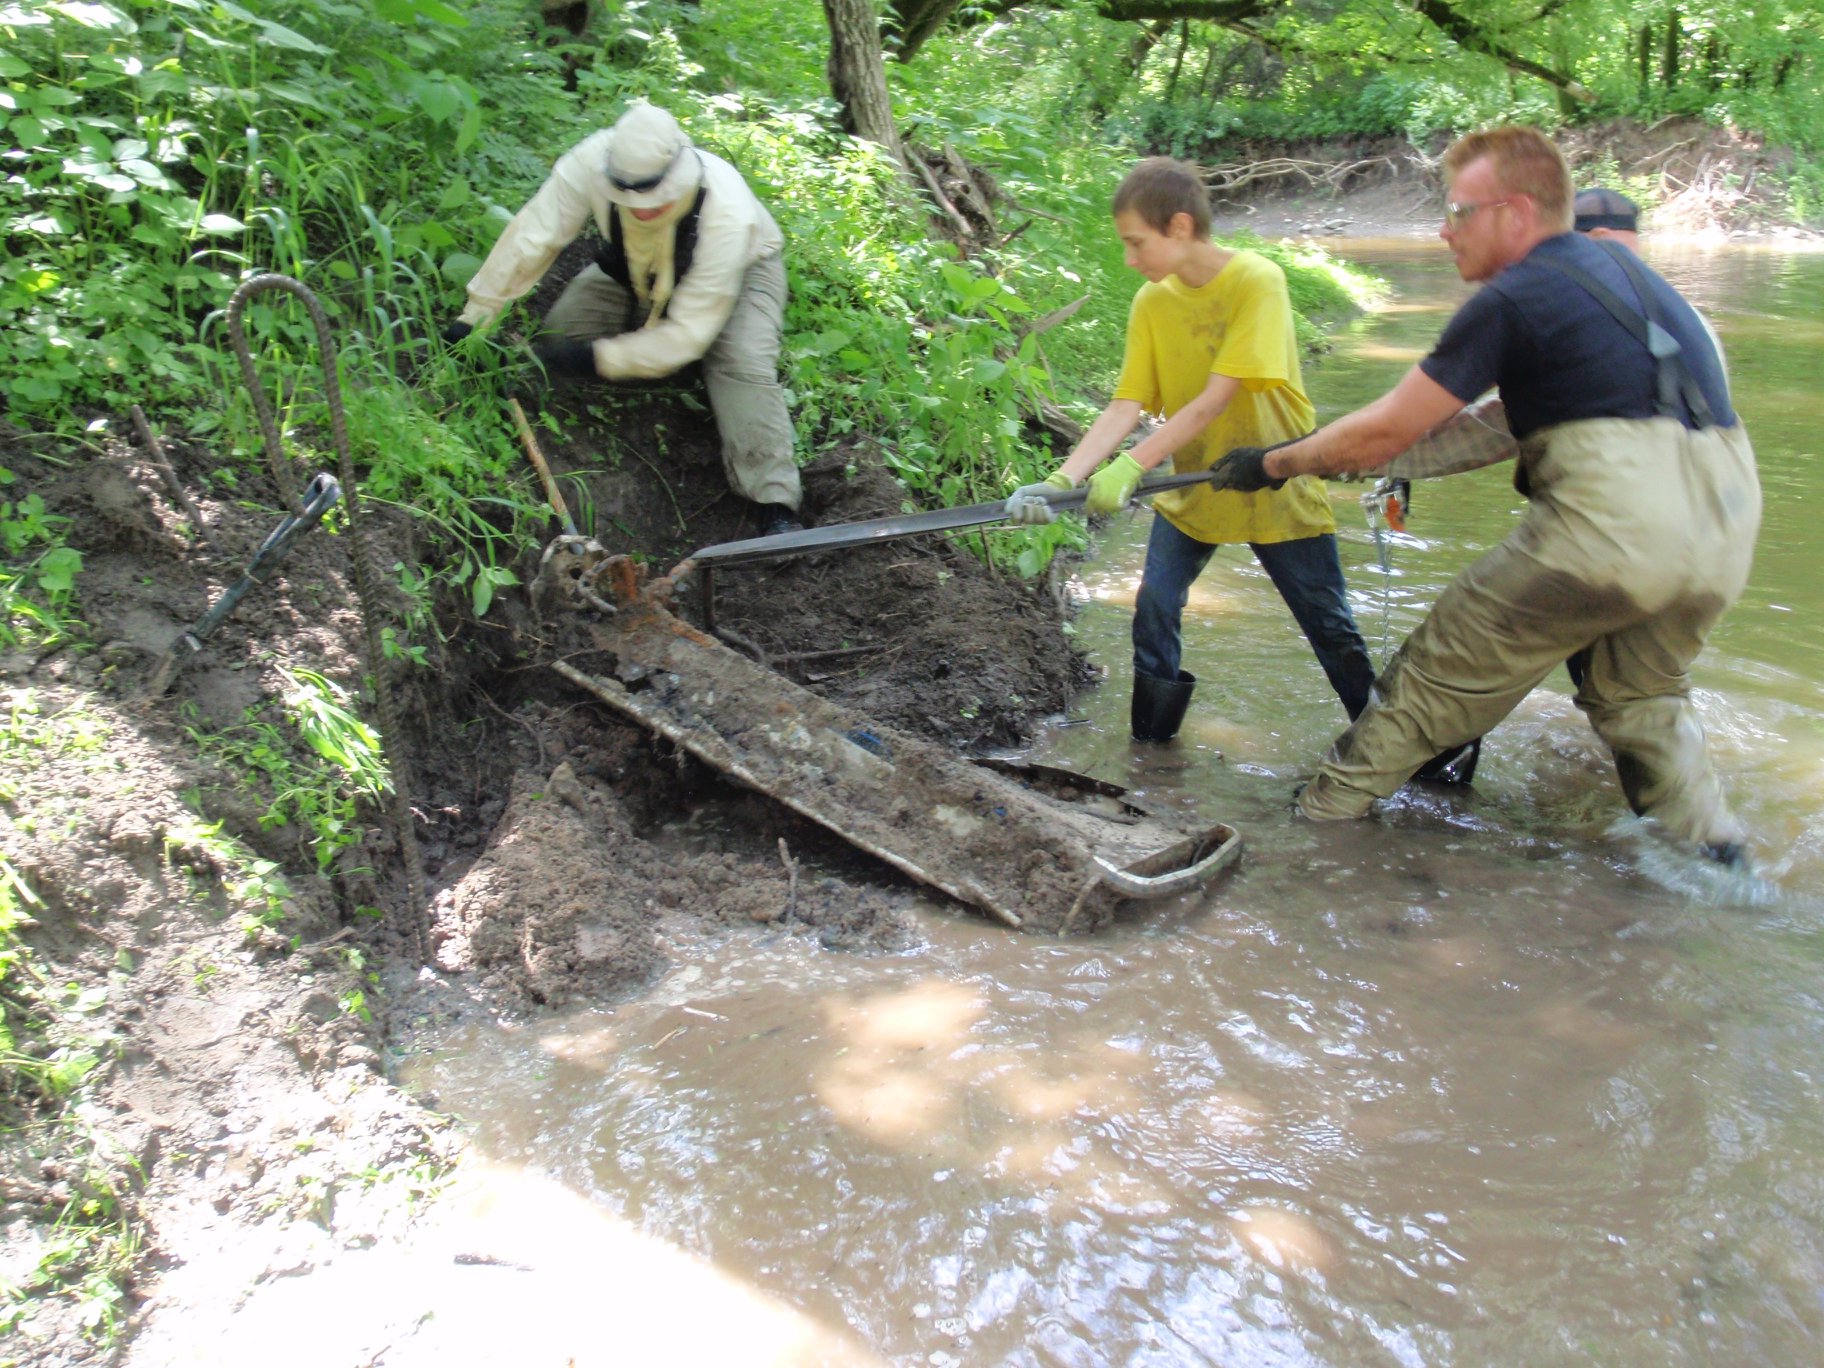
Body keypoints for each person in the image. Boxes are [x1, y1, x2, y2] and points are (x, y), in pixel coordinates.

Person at [1206, 126, 1760, 865]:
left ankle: (1311, 834)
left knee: (1428, 682)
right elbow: (1493, 428)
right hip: (1724, 536)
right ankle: (1722, 874)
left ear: (1516, 212)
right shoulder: (1644, 288)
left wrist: (1274, 463)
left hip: (1611, 537)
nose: (1444, 229)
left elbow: (1386, 430)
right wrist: (1334, 461)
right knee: (1643, 700)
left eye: (1458, 211)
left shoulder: (1516, 296)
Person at [1004, 156, 1376, 746]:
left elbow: (1214, 399)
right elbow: (1126, 404)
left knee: (1329, 625)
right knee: (1154, 604)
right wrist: (1063, 479)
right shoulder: (1152, 302)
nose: (1129, 259)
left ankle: (1404, 748)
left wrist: (1132, 464)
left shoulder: (1257, 281)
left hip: (1273, 476)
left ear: (1179, 227)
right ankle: (1151, 754)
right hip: (1195, 484)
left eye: (1136, 243)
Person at [443, 102, 804, 535]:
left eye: (654, 198)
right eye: (627, 197)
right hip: (637, 269)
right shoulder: (589, 162)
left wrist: (600, 358)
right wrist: (475, 318)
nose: (641, 207)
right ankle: (656, 360)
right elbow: (533, 235)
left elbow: (689, 333)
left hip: (741, 272)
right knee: (562, 335)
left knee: (740, 360)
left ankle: (774, 502)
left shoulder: (725, 211)